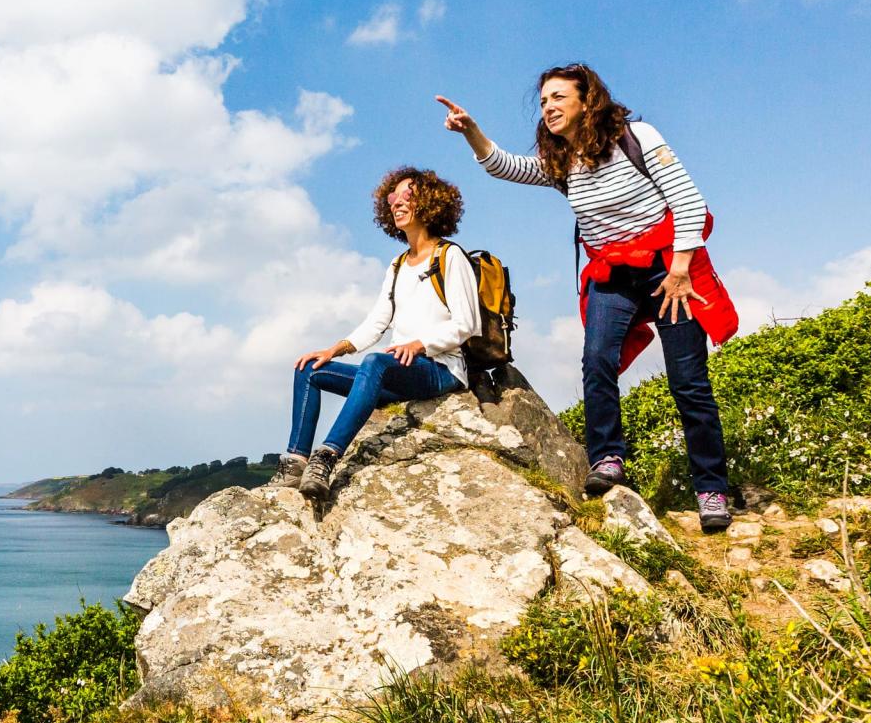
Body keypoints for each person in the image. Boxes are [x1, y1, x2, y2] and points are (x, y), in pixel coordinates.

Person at [436, 64, 740, 532]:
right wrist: (471, 132)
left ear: (586, 100)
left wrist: (680, 270)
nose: (549, 107)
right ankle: (608, 458)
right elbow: (506, 166)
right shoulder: (560, 160)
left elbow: (688, 200)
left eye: (558, 97)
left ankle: (711, 488)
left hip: (667, 268)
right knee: (597, 360)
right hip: (611, 273)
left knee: (688, 380)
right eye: (543, 102)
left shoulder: (635, 137)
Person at [275, 167, 479, 506]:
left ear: (429, 203)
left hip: (439, 369)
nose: (397, 204)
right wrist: (334, 349)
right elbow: (377, 322)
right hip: (396, 371)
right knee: (308, 369)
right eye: (392, 198)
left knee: (375, 362)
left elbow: (466, 324)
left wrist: (419, 344)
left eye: (407, 197)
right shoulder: (399, 264)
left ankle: (326, 459)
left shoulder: (450, 256)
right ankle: (295, 463)